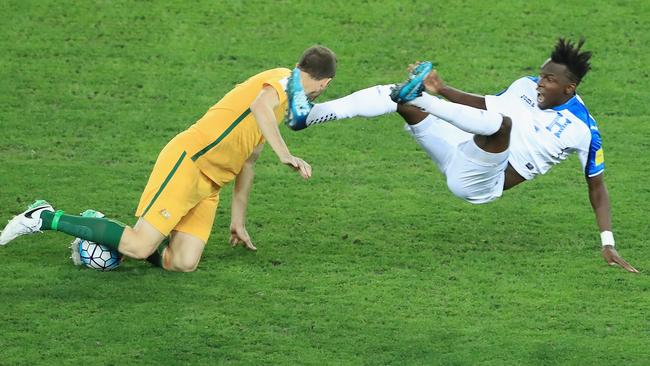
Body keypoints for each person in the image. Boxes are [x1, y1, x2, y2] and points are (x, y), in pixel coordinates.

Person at [285, 38, 637, 273]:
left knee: (502, 125)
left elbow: (597, 187)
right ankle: (307, 117)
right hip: (456, 145)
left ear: (569, 88)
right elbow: (483, 104)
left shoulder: (583, 129)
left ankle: (421, 97)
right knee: (393, 96)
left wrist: (608, 243)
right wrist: (443, 89)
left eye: (547, 79)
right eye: (541, 75)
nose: (539, 84)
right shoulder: (524, 86)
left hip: (481, 181)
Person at [0, 45, 337, 272]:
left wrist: (238, 220)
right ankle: (44, 216)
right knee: (138, 245)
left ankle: (100, 227)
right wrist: (286, 154)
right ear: (323, 83)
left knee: (183, 262)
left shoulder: (281, 100)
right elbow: (258, 106)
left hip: (209, 185)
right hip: (188, 162)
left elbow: (248, 160)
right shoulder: (280, 83)